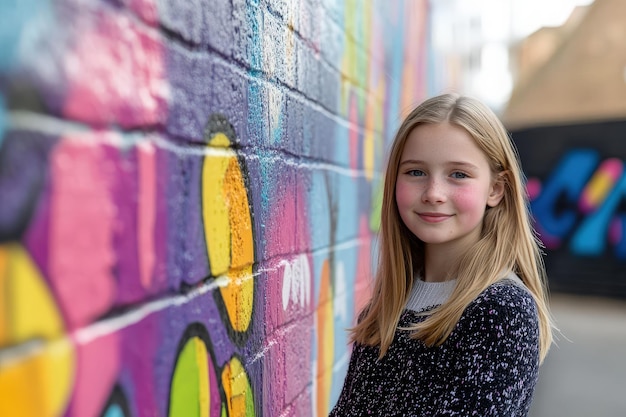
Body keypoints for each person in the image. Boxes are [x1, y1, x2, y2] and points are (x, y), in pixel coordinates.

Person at [329, 93, 554, 417]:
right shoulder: (386, 310)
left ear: (495, 189)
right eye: (416, 172)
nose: (433, 193)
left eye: (458, 174)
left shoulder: (501, 311)